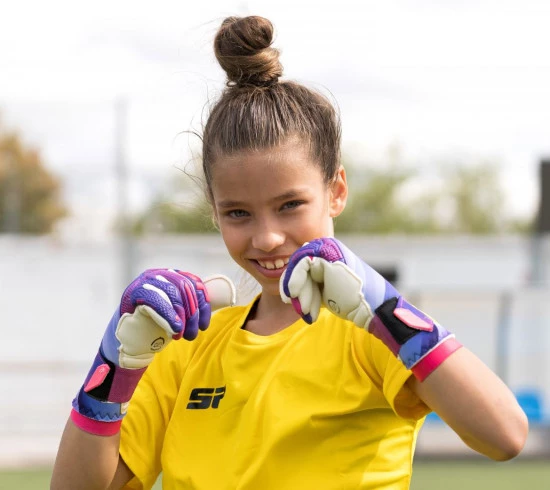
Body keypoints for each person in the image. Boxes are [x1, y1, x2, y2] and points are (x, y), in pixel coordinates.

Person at [51, 15, 528, 490]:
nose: (267, 237)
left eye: (290, 205)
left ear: (336, 190)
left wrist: (385, 309)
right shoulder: (187, 347)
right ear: (214, 212)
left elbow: (504, 435)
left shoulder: (371, 332)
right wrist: (112, 366)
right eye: (238, 213)